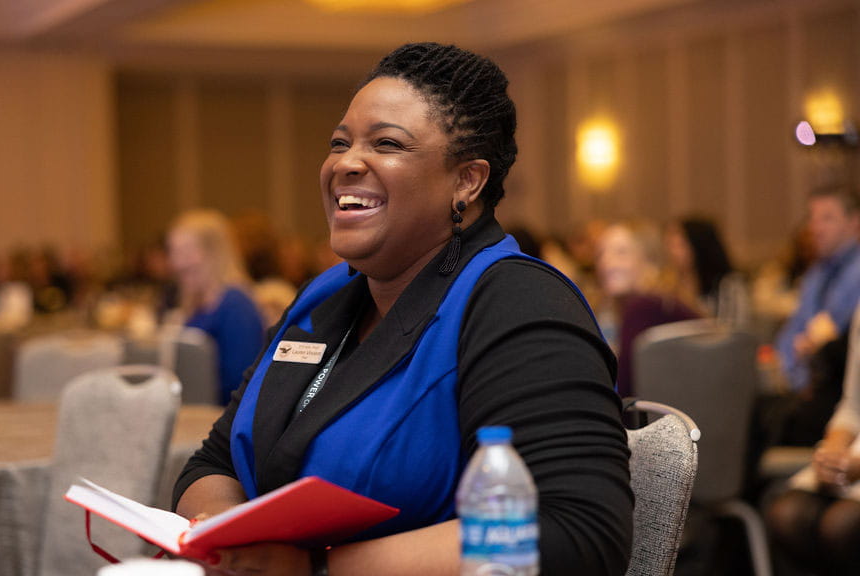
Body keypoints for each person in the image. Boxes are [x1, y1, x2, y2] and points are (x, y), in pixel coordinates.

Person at [172, 43, 632, 576]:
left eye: (386, 143)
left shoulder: (519, 303)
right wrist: (227, 540)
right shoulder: (324, 295)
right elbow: (217, 459)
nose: (345, 163)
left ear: (467, 181)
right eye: (338, 143)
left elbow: (577, 534)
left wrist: (318, 569)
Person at [765, 306, 860, 575]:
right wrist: (833, 449)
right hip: (854, 454)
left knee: (841, 525)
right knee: (787, 513)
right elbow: (853, 406)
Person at [166, 209, 266, 405]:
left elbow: (240, 384)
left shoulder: (236, 306)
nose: (177, 263)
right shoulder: (199, 303)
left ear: (214, 252)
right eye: (173, 252)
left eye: (186, 252)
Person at [596, 220, 700, 397]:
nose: (606, 262)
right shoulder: (668, 300)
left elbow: (622, 392)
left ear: (650, 259)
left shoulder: (643, 307)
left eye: (621, 253)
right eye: (600, 254)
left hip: (660, 420)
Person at [776, 184, 860, 392]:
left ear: (854, 223)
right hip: (806, 383)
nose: (816, 228)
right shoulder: (816, 274)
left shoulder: (856, 272)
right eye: (813, 218)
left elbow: (838, 343)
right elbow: (793, 331)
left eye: (827, 218)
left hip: (840, 385)